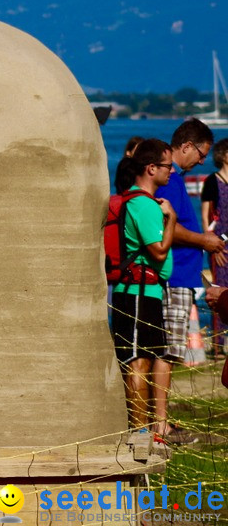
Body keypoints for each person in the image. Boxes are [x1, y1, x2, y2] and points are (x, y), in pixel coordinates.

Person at [155, 119, 223, 438]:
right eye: (201, 154)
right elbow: (165, 224)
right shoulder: (170, 179)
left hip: (184, 273)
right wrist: (203, 240)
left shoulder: (176, 179)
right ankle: (160, 423)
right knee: (168, 351)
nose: (202, 161)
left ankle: (160, 420)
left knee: (171, 351)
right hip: (175, 275)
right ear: (186, 146)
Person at [110, 139, 175, 437]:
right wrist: (171, 218)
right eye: (167, 166)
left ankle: (145, 431)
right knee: (137, 359)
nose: (171, 172)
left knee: (145, 358)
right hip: (138, 292)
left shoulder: (135, 202)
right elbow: (159, 251)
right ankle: (139, 433)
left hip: (144, 291)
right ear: (151, 169)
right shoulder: (144, 205)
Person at [201, 138, 228, 356]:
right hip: (220, 243)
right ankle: (218, 344)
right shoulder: (212, 181)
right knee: (218, 290)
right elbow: (206, 217)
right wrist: (212, 245)